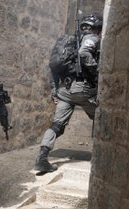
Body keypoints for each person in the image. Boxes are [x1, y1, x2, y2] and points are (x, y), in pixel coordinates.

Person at [35, 13, 103, 173]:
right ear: (97, 28)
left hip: (64, 91)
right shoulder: (91, 38)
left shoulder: (69, 42)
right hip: (83, 90)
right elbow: (84, 53)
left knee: (57, 125)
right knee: (100, 118)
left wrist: (54, 92)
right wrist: (97, 70)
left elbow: (52, 67)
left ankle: (42, 157)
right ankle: (102, 159)